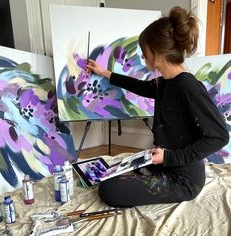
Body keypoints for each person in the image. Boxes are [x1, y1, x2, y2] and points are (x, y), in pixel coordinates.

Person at [87, 6, 229, 207]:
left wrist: (169, 156)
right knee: (109, 174)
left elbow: (220, 136)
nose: (143, 58)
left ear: (159, 54)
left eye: (145, 53)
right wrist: (104, 73)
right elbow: (141, 87)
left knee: (108, 189)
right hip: (164, 164)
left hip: (183, 179)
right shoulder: (165, 82)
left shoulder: (188, 87)